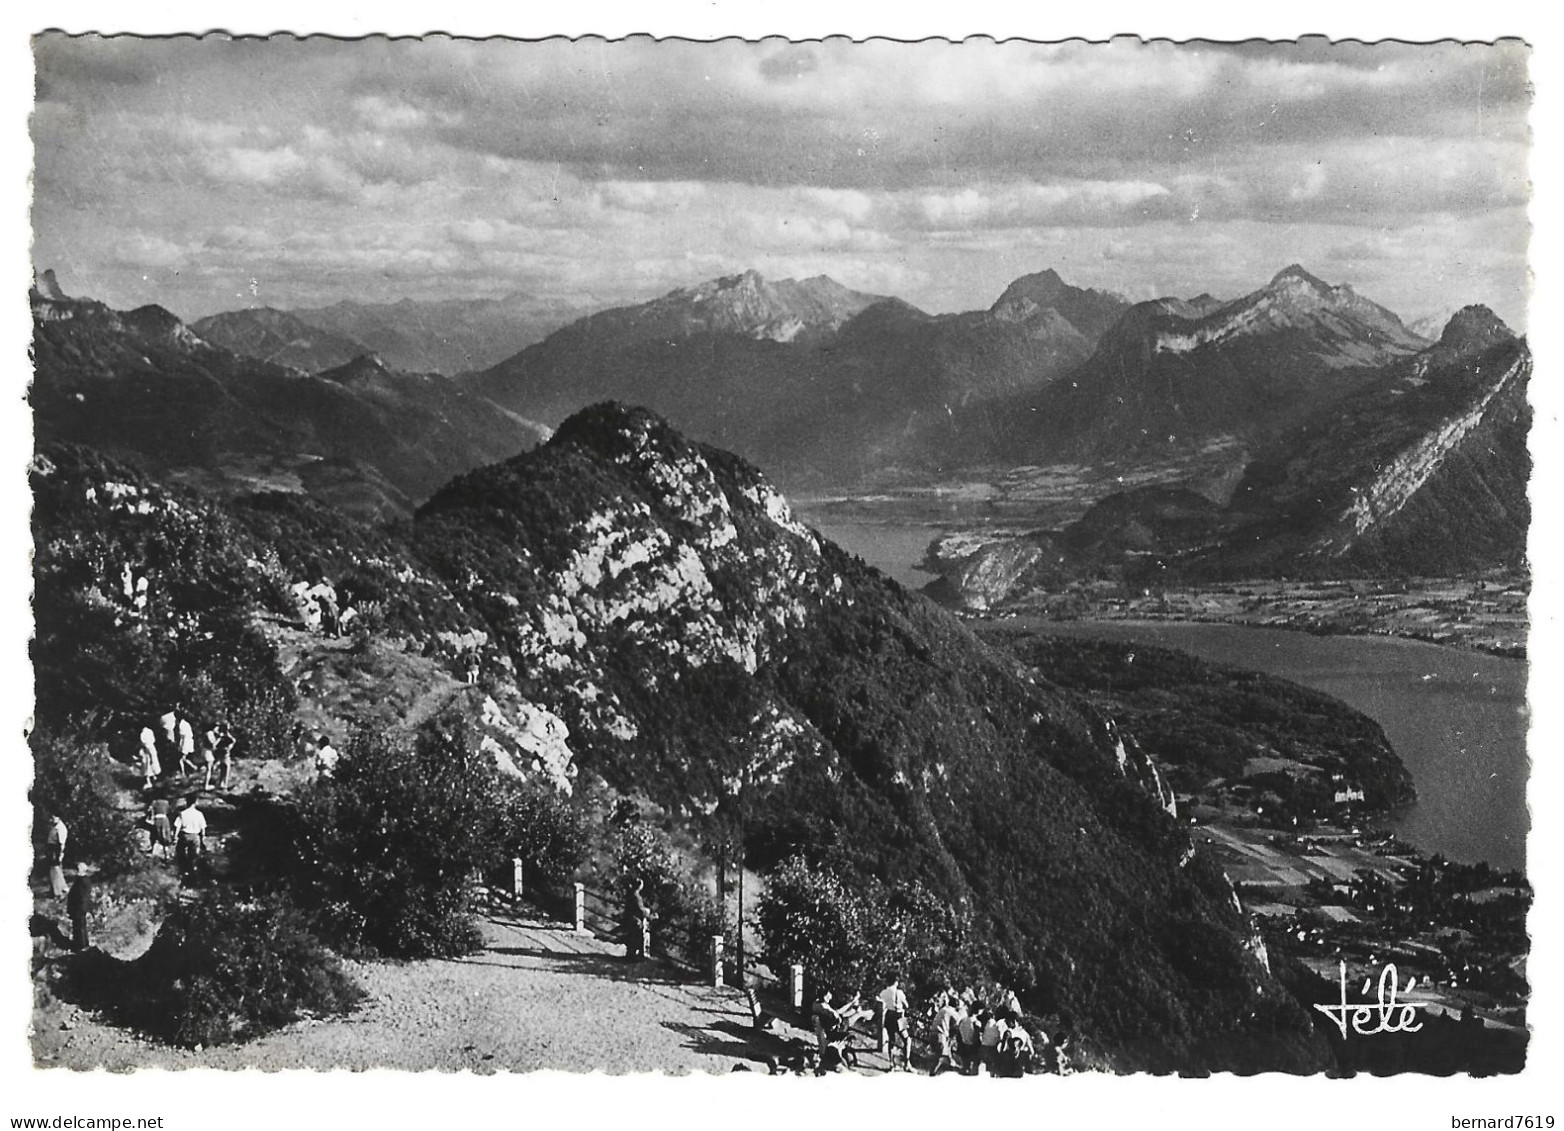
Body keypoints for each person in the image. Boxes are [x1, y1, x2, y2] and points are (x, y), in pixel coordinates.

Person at [878, 972, 912, 1071]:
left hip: (889, 1017)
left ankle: (892, 1064)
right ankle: (907, 1064)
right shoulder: (899, 993)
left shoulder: (883, 992)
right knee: (907, 1040)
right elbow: (907, 1005)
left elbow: (880, 1001)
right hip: (899, 1017)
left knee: (891, 1041)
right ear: (896, 982)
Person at [930, 991, 964, 1076]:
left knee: (947, 1056)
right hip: (940, 1035)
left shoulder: (943, 1009)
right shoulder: (953, 1012)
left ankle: (955, 1070)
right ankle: (932, 1074)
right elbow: (959, 1023)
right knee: (941, 1057)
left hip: (933, 1033)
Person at [173, 798, 207, 880]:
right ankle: (193, 873)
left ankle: (183, 871)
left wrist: (175, 837)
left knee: (181, 853)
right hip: (195, 836)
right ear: (195, 803)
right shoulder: (199, 814)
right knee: (193, 856)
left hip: (185, 835)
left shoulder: (183, 813)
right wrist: (203, 838)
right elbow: (203, 828)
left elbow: (177, 826)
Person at [622, 878, 649, 960]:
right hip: (634, 920)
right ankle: (639, 954)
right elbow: (640, 909)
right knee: (638, 935)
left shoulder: (630, 894)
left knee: (631, 937)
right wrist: (647, 911)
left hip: (629, 918)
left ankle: (630, 954)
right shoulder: (636, 896)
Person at [66, 869, 92, 952]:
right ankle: (83, 943)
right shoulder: (85, 881)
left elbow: (79, 897)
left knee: (79, 927)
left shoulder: (80, 883)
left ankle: (80, 945)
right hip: (80, 908)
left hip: (78, 908)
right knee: (81, 926)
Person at [45, 814, 69, 898]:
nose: (51, 820)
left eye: (53, 818)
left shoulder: (60, 828)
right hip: (52, 849)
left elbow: (61, 844)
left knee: (56, 870)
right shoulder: (54, 827)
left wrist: (59, 856)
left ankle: (59, 891)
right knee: (53, 870)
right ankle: (55, 890)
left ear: (58, 817)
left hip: (56, 850)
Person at [147, 796, 174, 861]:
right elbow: (171, 811)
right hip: (164, 820)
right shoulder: (166, 802)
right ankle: (167, 854)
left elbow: (149, 811)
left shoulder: (154, 802)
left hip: (157, 819)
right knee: (166, 836)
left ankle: (152, 851)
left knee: (154, 835)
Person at [138, 724, 161, 789]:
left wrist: (150, 757)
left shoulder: (143, 734)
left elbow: (145, 744)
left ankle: (149, 782)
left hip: (148, 751)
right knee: (153, 764)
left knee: (147, 767)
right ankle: (154, 778)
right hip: (152, 749)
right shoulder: (150, 731)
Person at [214, 723, 236, 789]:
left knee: (222, 771)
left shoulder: (221, 737)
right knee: (226, 771)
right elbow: (233, 741)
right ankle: (225, 785)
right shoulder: (226, 737)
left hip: (221, 755)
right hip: (226, 755)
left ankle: (221, 784)